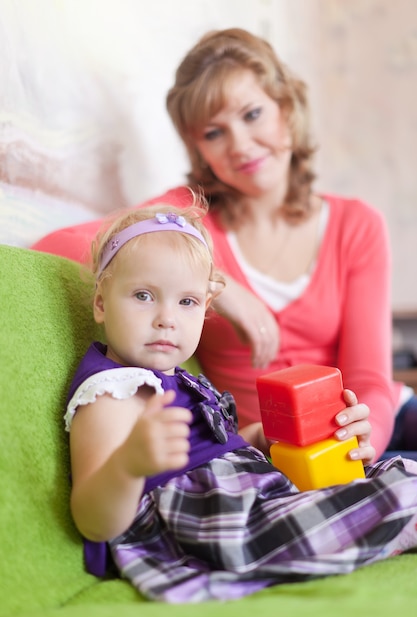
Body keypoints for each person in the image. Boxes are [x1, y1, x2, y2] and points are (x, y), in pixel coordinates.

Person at [33, 28, 417, 461]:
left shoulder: (357, 224)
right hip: (275, 451)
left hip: (372, 428)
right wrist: (223, 283)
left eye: (252, 114)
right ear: (199, 150)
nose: (239, 145)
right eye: (214, 133)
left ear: (286, 108)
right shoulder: (183, 221)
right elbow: (55, 244)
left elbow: (368, 376)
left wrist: (370, 436)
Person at [65, 201, 417, 604]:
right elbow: (94, 523)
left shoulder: (172, 377)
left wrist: (265, 437)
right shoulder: (112, 393)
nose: (167, 318)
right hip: (216, 531)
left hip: (247, 502)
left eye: (187, 302)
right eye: (144, 295)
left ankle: (372, 529)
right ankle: (380, 528)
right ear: (100, 303)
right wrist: (128, 465)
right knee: (403, 487)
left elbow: (220, 451)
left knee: (397, 471)